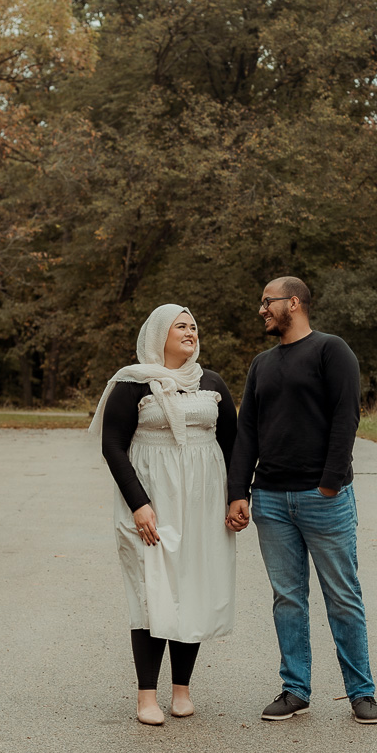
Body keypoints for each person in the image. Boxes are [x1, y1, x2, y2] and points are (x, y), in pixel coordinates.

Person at [225, 276, 377, 725]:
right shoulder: (261, 364)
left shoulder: (332, 351)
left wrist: (329, 483)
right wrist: (239, 491)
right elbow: (247, 430)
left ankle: (361, 693)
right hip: (271, 500)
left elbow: (345, 416)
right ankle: (296, 689)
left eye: (267, 302)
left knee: (343, 596)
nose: (262, 310)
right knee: (287, 598)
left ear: (293, 303)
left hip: (323, 498)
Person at [92, 304, 238, 725]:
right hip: (151, 501)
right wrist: (139, 504)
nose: (191, 332)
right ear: (159, 334)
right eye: (181, 326)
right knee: (151, 591)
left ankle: (182, 691)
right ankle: (145, 697)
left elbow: (232, 441)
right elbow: (113, 446)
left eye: (194, 326)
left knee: (191, 587)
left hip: (202, 502)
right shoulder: (132, 382)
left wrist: (235, 495)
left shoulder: (211, 383)